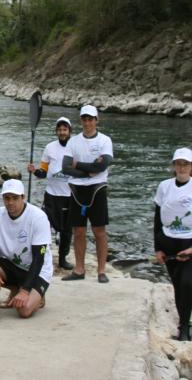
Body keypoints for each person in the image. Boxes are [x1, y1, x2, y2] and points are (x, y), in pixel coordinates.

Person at [0, 179, 52, 318]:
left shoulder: (38, 217)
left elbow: (38, 259)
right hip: (13, 264)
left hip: (37, 270)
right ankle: (15, 289)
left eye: (15, 198)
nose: (10, 202)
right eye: (7, 198)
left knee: (23, 311)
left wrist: (25, 291)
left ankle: (35, 294)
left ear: (23, 197)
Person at [154, 148, 192, 341]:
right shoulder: (164, 186)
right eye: (178, 164)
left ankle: (185, 328)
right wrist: (158, 248)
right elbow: (156, 219)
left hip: (190, 244)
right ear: (174, 166)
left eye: (185, 164)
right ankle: (182, 323)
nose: (182, 167)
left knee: (187, 283)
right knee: (178, 285)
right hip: (168, 243)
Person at [61, 105, 114, 283]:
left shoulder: (105, 141)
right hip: (77, 189)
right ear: (81, 120)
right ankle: (79, 269)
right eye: (84, 119)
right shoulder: (73, 141)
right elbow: (65, 167)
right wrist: (88, 170)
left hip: (97, 188)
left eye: (91, 119)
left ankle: (101, 270)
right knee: (79, 230)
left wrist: (79, 165)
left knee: (99, 230)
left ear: (97, 120)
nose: (87, 122)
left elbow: (102, 166)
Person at [28, 116, 74, 270]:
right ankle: (43, 257)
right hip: (51, 194)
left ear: (69, 131)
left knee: (67, 229)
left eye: (65, 129)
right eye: (59, 130)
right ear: (56, 131)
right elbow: (43, 171)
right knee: (45, 226)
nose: (62, 132)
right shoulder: (50, 147)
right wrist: (35, 171)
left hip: (69, 195)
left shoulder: (76, 147)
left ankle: (62, 258)